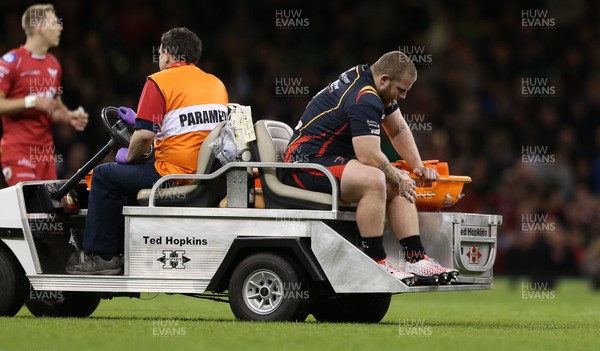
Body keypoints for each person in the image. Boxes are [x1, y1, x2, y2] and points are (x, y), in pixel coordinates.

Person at [283, 51, 458, 284]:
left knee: (397, 178)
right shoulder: (364, 98)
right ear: (384, 79)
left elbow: (398, 130)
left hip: (328, 159)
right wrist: (397, 176)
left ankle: (417, 259)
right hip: (304, 163)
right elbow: (368, 156)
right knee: (376, 179)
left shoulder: (373, 81)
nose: (404, 96)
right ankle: (375, 261)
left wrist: (417, 166)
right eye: (401, 90)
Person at [67, 27, 228, 275]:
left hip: (171, 174)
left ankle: (103, 257)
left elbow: (144, 136)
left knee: (103, 176)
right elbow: (188, 131)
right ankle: (123, 249)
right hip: (208, 175)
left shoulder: (159, 81)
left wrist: (128, 156)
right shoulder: (216, 84)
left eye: (161, 52)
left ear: (166, 54)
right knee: (125, 178)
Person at [0, 4, 88, 185]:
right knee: (28, 210)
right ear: (39, 27)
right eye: (55, 22)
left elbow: (54, 108)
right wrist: (31, 101)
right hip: (18, 152)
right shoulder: (11, 62)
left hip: (45, 155)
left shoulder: (54, 64)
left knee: (49, 212)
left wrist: (69, 117)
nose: (60, 27)